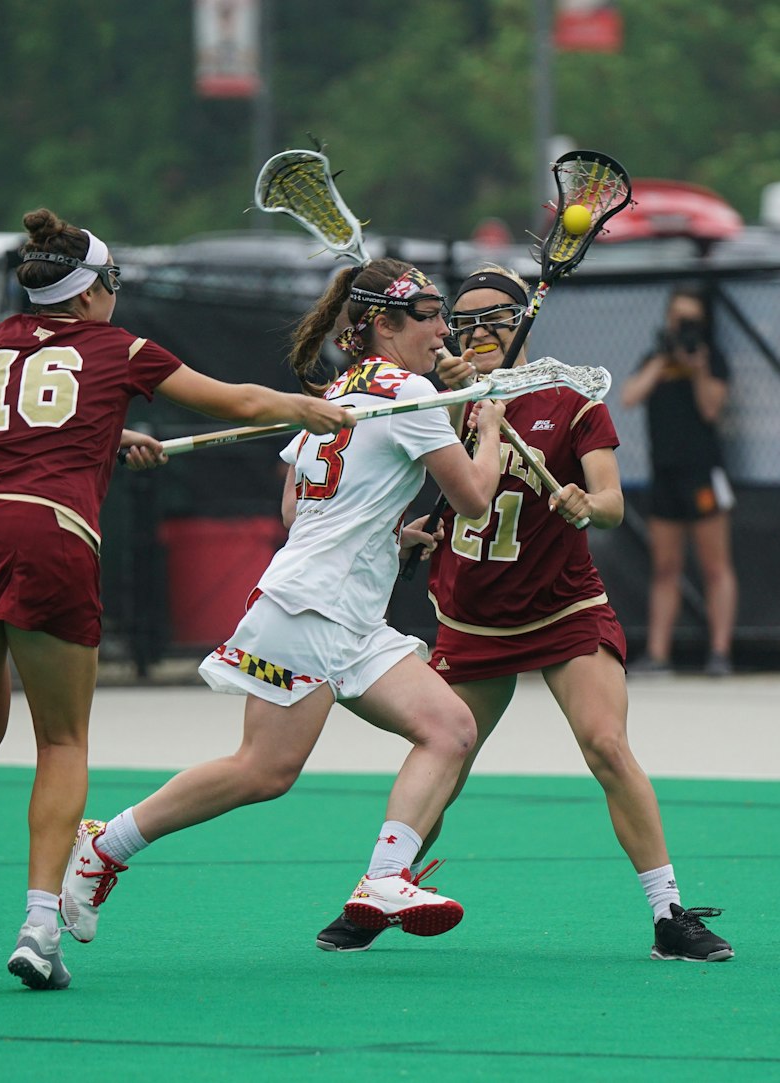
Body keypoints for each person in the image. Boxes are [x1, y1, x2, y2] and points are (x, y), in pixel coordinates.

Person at [0, 207, 355, 991]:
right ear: (87, 296)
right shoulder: (122, 348)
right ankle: (40, 928)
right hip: (49, 535)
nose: (116, 296)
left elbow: (23, 424)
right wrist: (305, 407)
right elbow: (238, 403)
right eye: (112, 283)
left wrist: (108, 435)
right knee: (62, 741)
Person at [57, 258, 507, 958]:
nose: (445, 329)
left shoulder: (341, 389)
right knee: (262, 771)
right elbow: (476, 498)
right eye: (431, 315)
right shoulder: (410, 391)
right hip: (306, 609)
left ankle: (386, 877)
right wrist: (490, 426)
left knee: (450, 727)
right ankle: (103, 846)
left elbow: (297, 507)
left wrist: (387, 532)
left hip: (350, 614)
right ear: (384, 325)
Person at [315, 265, 734, 963]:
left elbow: (611, 503)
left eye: (495, 319)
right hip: (471, 619)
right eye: (465, 319)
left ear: (523, 324)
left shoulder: (570, 401)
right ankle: (379, 888)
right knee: (443, 761)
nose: (477, 332)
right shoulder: (431, 400)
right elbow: (383, 482)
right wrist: (408, 526)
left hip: (564, 609)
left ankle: (669, 914)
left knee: (606, 745)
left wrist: (580, 501)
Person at [620, 286, 738, 677]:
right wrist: (662, 361)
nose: (682, 325)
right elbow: (628, 397)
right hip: (664, 475)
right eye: (677, 317)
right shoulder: (655, 358)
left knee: (714, 565)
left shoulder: (711, 359)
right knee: (665, 567)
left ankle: (719, 653)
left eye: (690, 319)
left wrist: (698, 367)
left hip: (702, 473)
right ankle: (658, 654)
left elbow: (710, 408)